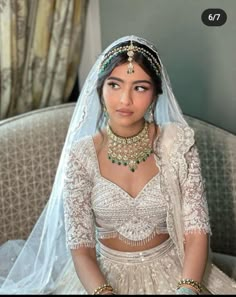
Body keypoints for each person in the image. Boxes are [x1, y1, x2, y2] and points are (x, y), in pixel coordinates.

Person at [0, 35, 236, 295]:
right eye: (115, 85)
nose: (125, 99)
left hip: (179, 273)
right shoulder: (82, 155)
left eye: (139, 87)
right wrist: (104, 292)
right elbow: (82, 250)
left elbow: (196, 232)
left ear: (156, 94)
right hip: (100, 281)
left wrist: (188, 288)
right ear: (100, 88)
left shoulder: (177, 143)